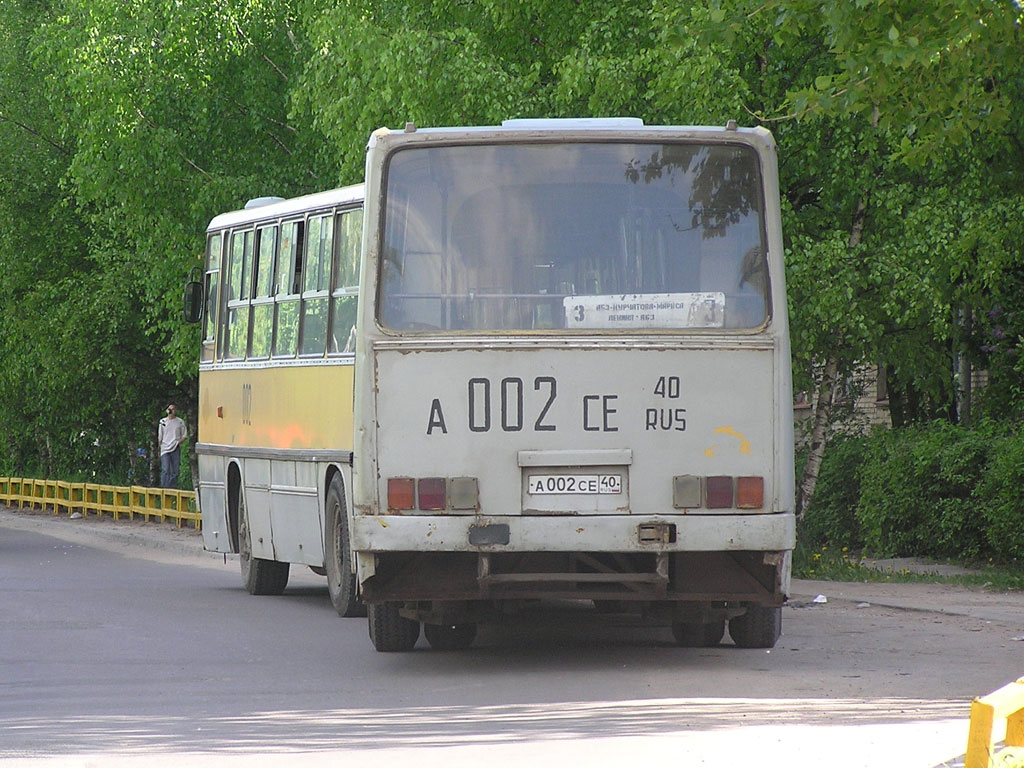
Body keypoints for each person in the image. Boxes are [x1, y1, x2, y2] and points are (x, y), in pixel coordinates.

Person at [158, 404, 187, 489]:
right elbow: (160, 436)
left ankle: (172, 487)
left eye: (173, 409)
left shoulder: (180, 422)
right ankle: (164, 487)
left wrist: (178, 442)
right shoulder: (163, 422)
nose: (171, 411)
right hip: (165, 448)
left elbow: (184, 435)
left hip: (175, 447)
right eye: (170, 409)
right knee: (166, 469)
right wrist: (159, 447)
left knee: (175, 470)